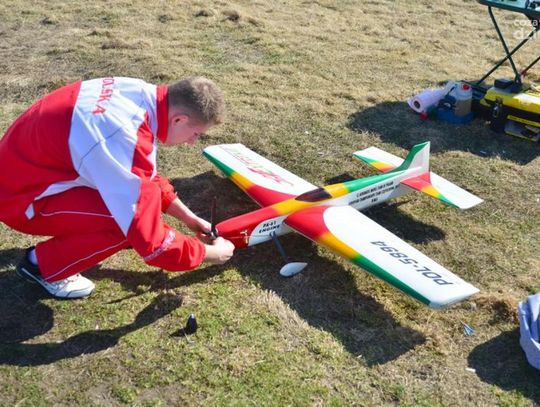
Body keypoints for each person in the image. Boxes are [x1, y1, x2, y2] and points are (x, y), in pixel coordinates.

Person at [0, 76, 235, 299]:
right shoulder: (124, 135)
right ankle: (41, 267)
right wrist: (209, 253)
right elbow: (152, 242)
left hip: (22, 172)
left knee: (129, 212)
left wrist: (188, 218)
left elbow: (143, 176)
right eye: (196, 134)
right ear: (179, 120)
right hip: (18, 200)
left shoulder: (138, 94)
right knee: (122, 225)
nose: (192, 142)